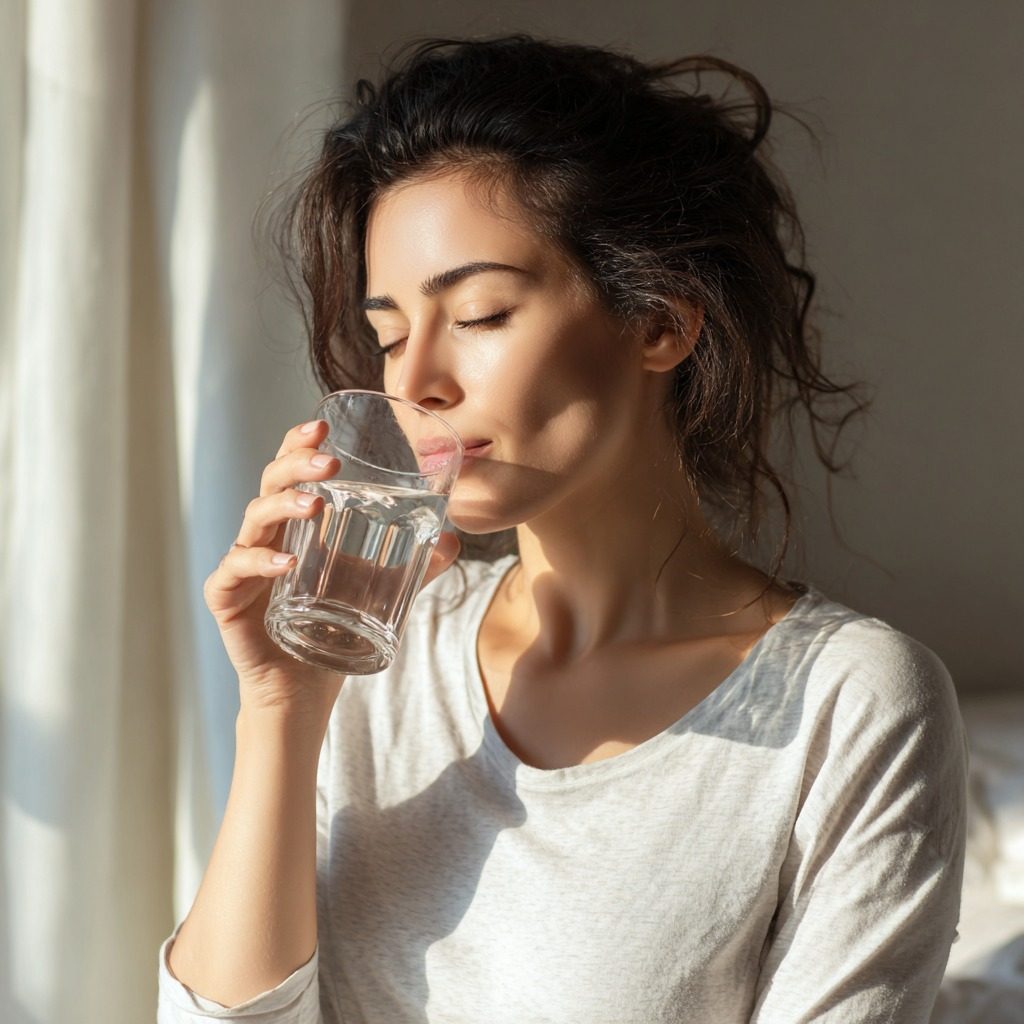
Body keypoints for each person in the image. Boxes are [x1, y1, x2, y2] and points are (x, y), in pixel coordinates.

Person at [157, 35, 967, 1023]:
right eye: (390, 334)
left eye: (483, 314)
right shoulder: (384, 643)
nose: (413, 385)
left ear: (659, 322)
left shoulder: (846, 703)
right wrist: (281, 709)